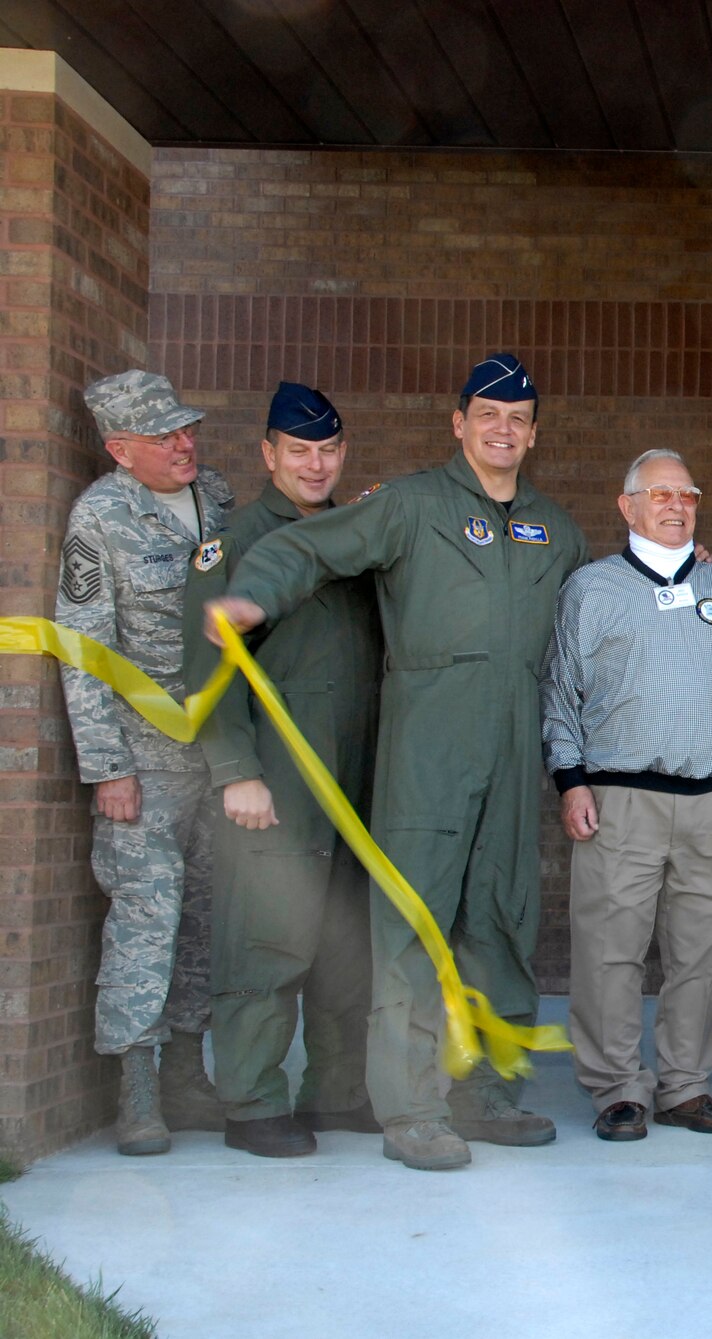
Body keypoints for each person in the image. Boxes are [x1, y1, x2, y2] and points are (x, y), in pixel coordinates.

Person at [208, 354, 589, 1171]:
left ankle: (482, 1092)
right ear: (458, 424)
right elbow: (306, 548)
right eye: (487, 414)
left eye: (518, 418)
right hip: (425, 747)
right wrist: (254, 598)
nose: (502, 428)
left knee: (499, 921)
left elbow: (586, 641)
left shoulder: (557, 529)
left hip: (513, 747)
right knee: (413, 926)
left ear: (534, 433)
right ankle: (411, 1107)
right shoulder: (408, 507)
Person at [541, 448, 712, 1142]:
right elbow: (561, 690)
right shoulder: (592, 589)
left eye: (687, 494)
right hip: (620, 800)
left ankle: (684, 1084)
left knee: (701, 951)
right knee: (610, 948)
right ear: (628, 506)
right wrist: (570, 777)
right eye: (660, 493)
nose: (676, 505)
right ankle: (617, 1086)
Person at [182, 383, 379, 1159]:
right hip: (276, 777)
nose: (316, 464)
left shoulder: (354, 538)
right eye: (300, 450)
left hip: (354, 775)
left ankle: (335, 1090)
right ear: (268, 454)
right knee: (266, 937)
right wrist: (235, 771)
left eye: (329, 449)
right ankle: (253, 1100)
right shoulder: (233, 546)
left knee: (343, 940)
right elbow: (209, 668)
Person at [58, 369, 232, 1156]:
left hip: (219, 754)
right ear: (119, 448)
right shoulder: (100, 517)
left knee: (204, 918)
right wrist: (107, 767)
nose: (184, 443)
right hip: (144, 759)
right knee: (145, 914)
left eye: (186, 429)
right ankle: (136, 1087)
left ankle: (187, 1077)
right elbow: (84, 652)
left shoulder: (219, 499)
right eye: (163, 436)